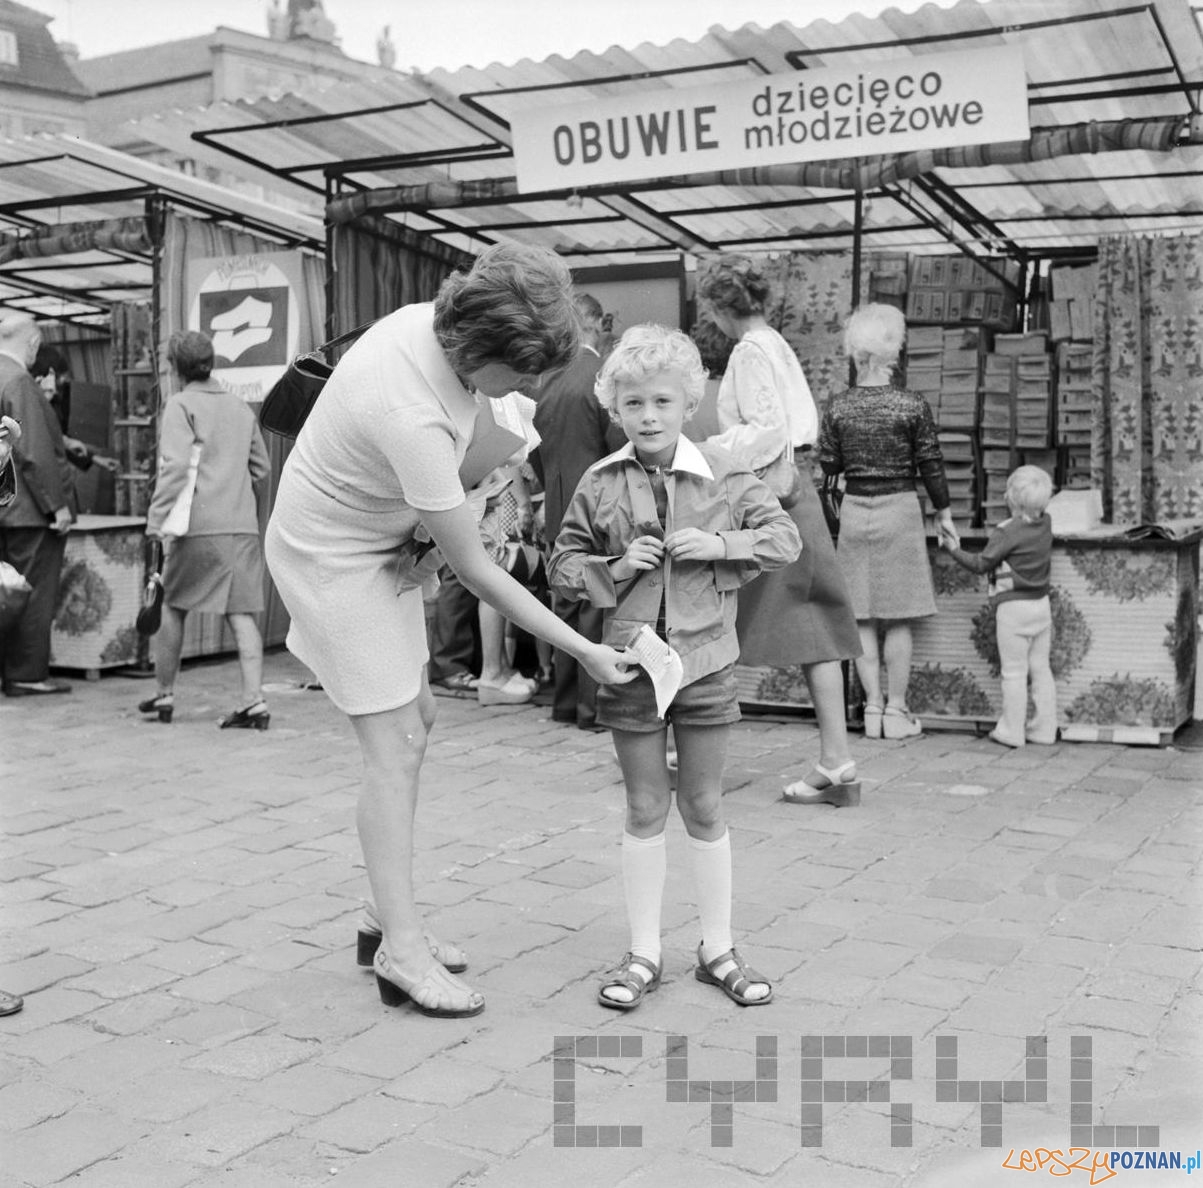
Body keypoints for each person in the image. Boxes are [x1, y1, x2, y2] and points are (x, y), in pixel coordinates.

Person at [264, 243, 634, 1020]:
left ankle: (382, 917)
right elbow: (477, 571)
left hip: (378, 538)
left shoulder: (426, 330)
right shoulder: (411, 414)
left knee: (420, 718)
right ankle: (400, 951)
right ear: (480, 348)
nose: (529, 387)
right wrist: (586, 649)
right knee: (391, 746)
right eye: (522, 372)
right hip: (332, 557)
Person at [549, 325, 801, 1011]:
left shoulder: (725, 473)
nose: (649, 417)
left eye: (662, 401)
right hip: (631, 666)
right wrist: (611, 568)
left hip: (707, 665)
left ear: (689, 402)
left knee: (704, 803)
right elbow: (561, 567)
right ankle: (643, 953)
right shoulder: (598, 484)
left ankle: (716, 948)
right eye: (633, 405)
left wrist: (720, 543)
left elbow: (783, 539)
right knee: (641, 805)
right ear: (615, 408)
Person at [698, 256, 864, 807]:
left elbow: (766, 429)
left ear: (722, 308)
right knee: (815, 622)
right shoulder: (776, 343)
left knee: (718, 611)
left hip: (770, 494)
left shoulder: (748, 350)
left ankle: (693, 752)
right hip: (800, 490)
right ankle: (836, 760)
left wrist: (707, 450)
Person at [819, 303, 959, 740]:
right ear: (894, 351)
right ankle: (897, 711)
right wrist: (946, 514)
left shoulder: (838, 407)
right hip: (901, 508)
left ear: (854, 353)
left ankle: (873, 708)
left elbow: (828, 471)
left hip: (857, 510)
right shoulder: (912, 405)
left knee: (861, 615)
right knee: (899, 616)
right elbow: (931, 463)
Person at [139, 331, 272, 729]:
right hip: (241, 527)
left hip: (195, 527)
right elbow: (261, 470)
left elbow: (176, 467)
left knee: (173, 606)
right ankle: (255, 702)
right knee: (242, 614)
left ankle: (165, 695)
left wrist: (155, 520)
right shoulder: (240, 407)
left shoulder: (180, 405)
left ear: (176, 368)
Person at [528, 292, 625, 730]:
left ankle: (565, 703)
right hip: (598, 503)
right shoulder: (601, 378)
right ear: (593, 324)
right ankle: (593, 709)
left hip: (556, 502)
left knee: (564, 602)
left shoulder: (545, 382)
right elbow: (617, 446)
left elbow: (529, 450)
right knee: (596, 603)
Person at [941, 465, 1056, 747]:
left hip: (1013, 609)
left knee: (1014, 672)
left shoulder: (1006, 532)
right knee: (1041, 669)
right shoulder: (1047, 522)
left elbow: (981, 564)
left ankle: (1012, 731)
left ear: (1012, 499)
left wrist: (953, 549)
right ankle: (1044, 730)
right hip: (1041, 606)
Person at [0, 314, 72, 697]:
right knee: (30, 591)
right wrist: (57, 506)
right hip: (27, 510)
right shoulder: (19, 381)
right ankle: (27, 673)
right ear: (32, 345)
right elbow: (33, 453)